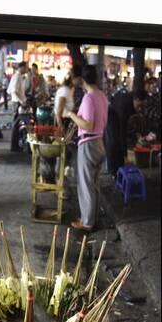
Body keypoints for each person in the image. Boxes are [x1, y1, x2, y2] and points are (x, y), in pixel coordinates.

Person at [65, 65, 108, 232]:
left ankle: (87, 222)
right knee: (93, 184)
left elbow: (88, 125)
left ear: (82, 80)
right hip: (99, 142)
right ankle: (92, 218)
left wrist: (71, 115)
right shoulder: (102, 96)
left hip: (89, 144)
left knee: (86, 184)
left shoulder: (89, 98)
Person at [8, 62, 29, 151]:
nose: (27, 69)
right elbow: (14, 91)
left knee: (17, 124)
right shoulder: (17, 76)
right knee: (16, 125)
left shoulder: (19, 76)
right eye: (26, 68)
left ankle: (15, 145)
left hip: (17, 102)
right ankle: (14, 146)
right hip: (17, 103)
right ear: (22, 67)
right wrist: (21, 101)